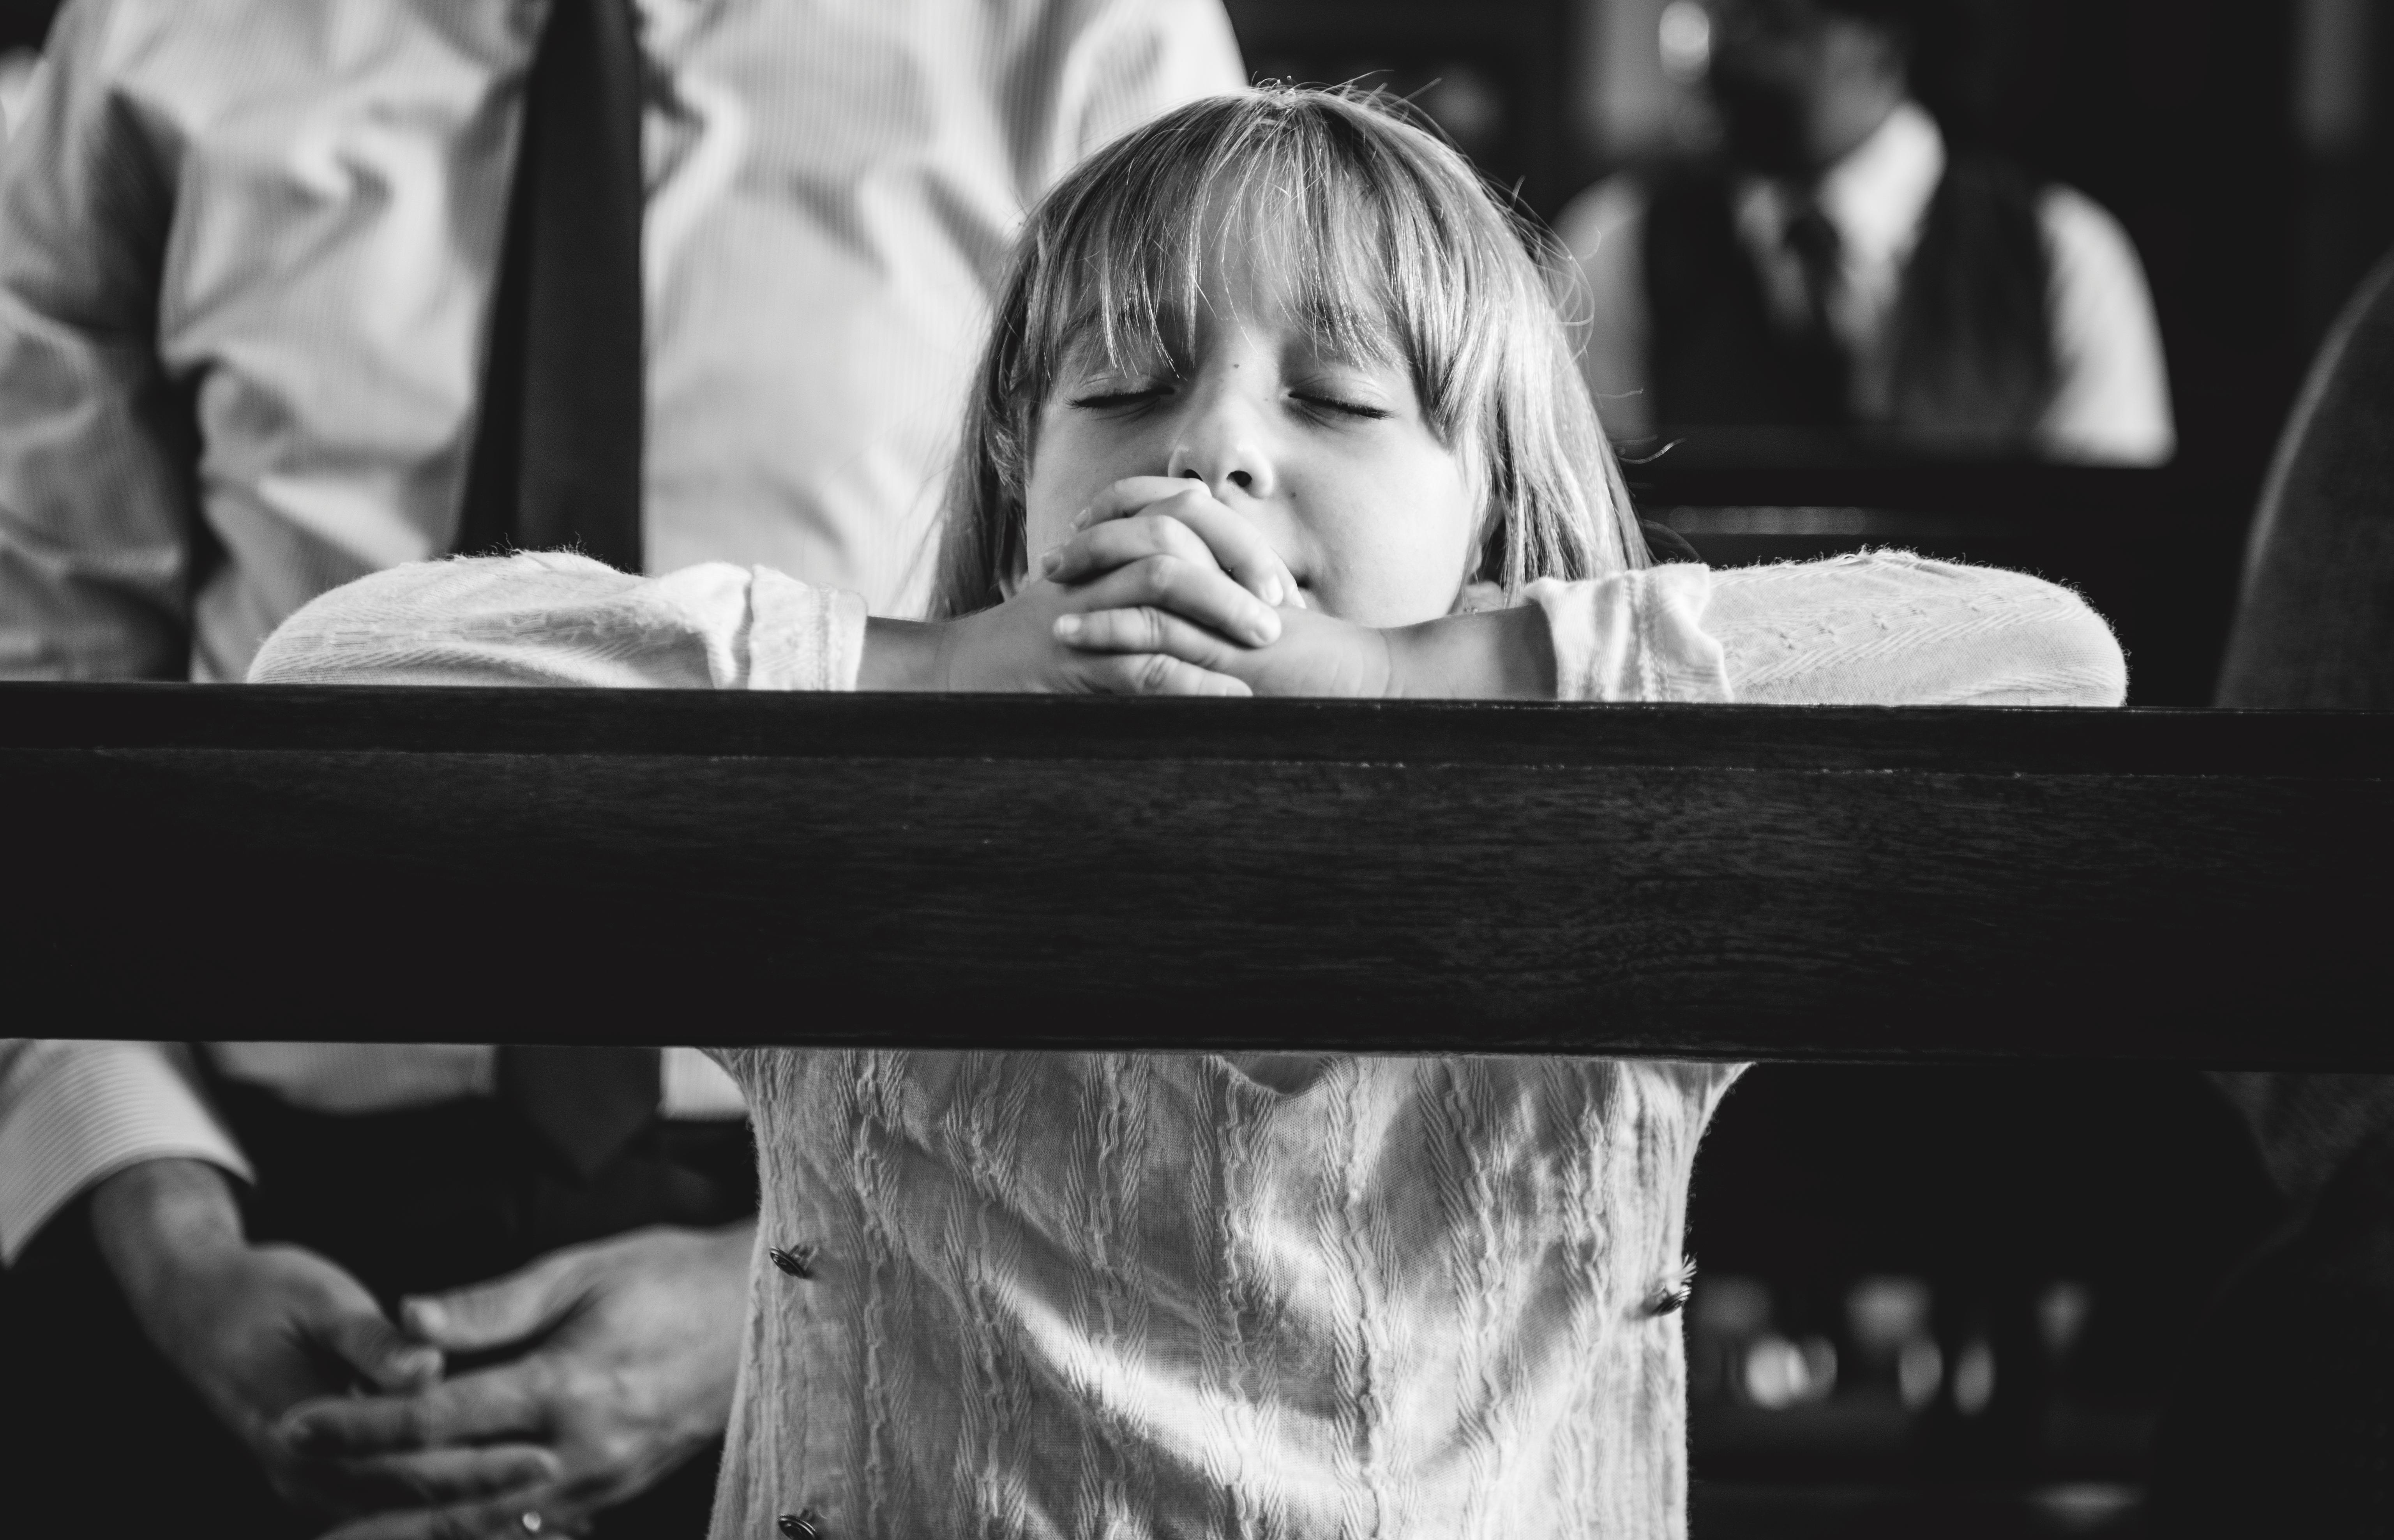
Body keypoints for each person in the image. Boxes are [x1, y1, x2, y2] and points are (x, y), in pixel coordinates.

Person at [248, 88, 2127, 1537]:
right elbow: (333, 677)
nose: (1211, 446)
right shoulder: (858, 821)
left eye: (1335, 397)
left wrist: (1416, 681)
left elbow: (2043, 660)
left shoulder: (1614, 832)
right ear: (1022, 471)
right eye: (1126, 386)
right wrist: (928, 669)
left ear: (1487, 510)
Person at [0, 2, 1243, 1537]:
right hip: (244, 1202)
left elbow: (1169, 743)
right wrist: (157, 1216)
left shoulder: (1090, 35)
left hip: (897, 1240)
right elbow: (40, 706)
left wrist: (802, 1273)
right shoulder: (151, 36)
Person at [1560, 0, 2173, 464]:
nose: (1725, 54)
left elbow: (2107, 545)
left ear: (1884, 33)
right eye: (1717, 18)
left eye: (1775, 24)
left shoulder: (2064, 254)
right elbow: (1590, 524)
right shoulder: (1615, 243)